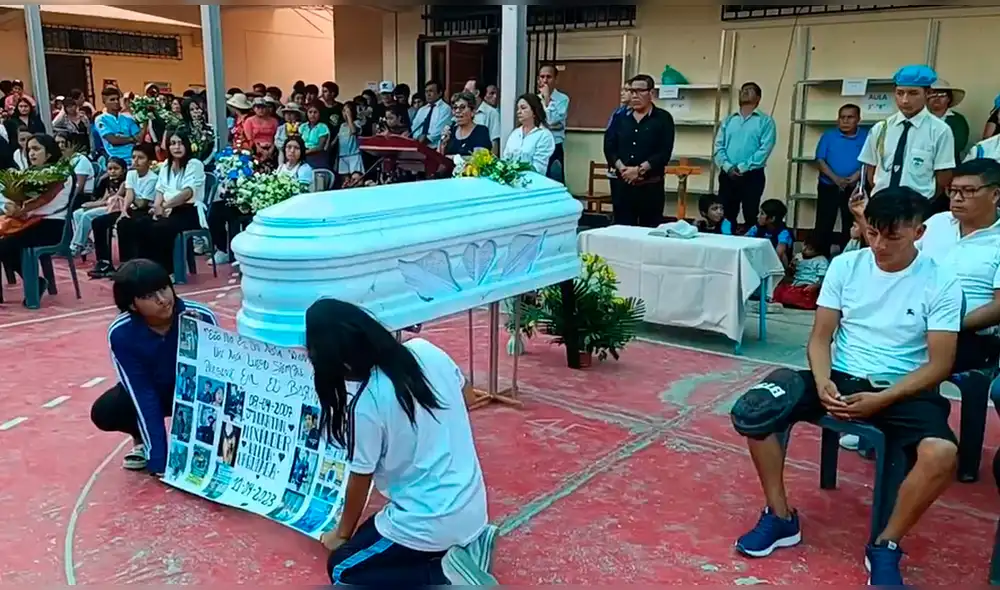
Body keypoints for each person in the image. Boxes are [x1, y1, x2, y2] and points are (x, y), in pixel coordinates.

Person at [730, 188, 961, 586]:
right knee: (758, 411)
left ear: (919, 232)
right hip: (839, 376)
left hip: (900, 386)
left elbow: (940, 364)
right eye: (872, 233)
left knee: (941, 455)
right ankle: (781, 516)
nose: (879, 245)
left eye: (893, 236)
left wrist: (882, 399)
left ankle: (885, 544)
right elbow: (820, 338)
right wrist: (822, 382)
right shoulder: (846, 266)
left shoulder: (940, 282)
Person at [305, 298, 497, 585]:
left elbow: (361, 478)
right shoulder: (425, 350)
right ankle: (469, 548)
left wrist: (341, 535)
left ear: (341, 364)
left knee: (343, 568)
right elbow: (466, 396)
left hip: (430, 520)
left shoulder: (366, 404)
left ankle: (443, 573)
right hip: (473, 507)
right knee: (380, 532)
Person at [90, 259, 218, 472]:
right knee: (107, 410)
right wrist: (158, 459)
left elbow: (214, 376)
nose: (162, 300)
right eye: (149, 296)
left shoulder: (200, 317)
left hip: (194, 390)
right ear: (132, 304)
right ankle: (142, 441)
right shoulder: (122, 333)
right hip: (154, 391)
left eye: (164, 289)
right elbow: (141, 392)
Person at [858, 65, 955, 216]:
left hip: (918, 207)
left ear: (928, 93)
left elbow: (943, 175)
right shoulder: (881, 128)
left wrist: (924, 202)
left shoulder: (940, 130)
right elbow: (871, 169)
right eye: (900, 93)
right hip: (882, 204)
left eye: (913, 93)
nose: (905, 100)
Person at [0, 134, 73, 299]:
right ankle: (36, 281)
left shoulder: (60, 174)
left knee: (4, 246)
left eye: (36, 149)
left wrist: (21, 210)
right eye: (29, 150)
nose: (31, 153)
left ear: (48, 153)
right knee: (4, 245)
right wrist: (12, 205)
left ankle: (35, 284)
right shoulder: (30, 174)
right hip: (31, 223)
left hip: (51, 226)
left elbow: (41, 202)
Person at [603, 74, 675, 228]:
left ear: (651, 94)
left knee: (649, 232)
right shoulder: (620, 118)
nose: (634, 95)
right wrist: (623, 169)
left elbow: (664, 152)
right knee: (622, 231)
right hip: (622, 186)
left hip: (650, 187)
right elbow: (609, 147)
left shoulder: (663, 119)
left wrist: (640, 170)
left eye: (640, 91)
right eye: (632, 91)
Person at [140, 132, 206, 275]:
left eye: (181, 143)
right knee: (142, 224)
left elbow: (187, 193)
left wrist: (165, 206)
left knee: (161, 228)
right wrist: (157, 207)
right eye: (173, 143)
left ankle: (168, 272)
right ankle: (147, 269)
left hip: (189, 210)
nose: (177, 147)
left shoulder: (194, 164)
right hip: (167, 208)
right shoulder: (165, 166)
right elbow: (160, 189)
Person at [89, 144, 159, 278]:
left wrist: (128, 205)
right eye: (133, 157)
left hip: (145, 211)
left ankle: (126, 264)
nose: (136, 161)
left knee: (124, 224)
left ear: (149, 162)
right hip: (131, 208)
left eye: (141, 158)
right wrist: (123, 210)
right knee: (99, 222)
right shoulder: (131, 174)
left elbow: (142, 203)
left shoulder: (152, 178)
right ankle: (104, 262)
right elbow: (129, 194)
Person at [713, 81, 777, 227]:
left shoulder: (765, 121)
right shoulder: (729, 120)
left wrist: (742, 168)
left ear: (758, 98)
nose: (745, 91)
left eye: (750, 90)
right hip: (727, 174)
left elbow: (765, 149)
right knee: (726, 215)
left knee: (751, 213)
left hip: (752, 175)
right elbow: (718, 146)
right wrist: (728, 167)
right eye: (743, 90)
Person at [814, 103, 868, 256]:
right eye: (842, 117)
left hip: (855, 188)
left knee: (851, 224)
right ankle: (819, 259)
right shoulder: (828, 135)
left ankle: (848, 257)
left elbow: (869, 160)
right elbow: (820, 160)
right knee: (824, 223)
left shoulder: (866, 136)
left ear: (858, 119)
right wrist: (836, 179)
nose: (845, 121)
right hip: (829, 185)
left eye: (850, 117)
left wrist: (856, 176)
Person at [70, 156, 125, 256]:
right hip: (107, 205)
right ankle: (87, 243)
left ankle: (76, 245)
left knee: (87, 215)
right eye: (110, 169)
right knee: (77, 213)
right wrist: (92, 205)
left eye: (116, 169)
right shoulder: (108, 182)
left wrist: (92, 205)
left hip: (116, 208)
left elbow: (113, 200)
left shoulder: (124, 183)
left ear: (123, 170)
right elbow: (104, 199)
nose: (112, 171)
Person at [502, 93, 556, 176]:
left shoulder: (544, 135)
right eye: (518, 109)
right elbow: (505, 159)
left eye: (523, 108)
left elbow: (539, 168)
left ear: (534, 111)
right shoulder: (515, 133)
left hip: (533, 182)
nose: (519, 112)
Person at [771, 236, 828, 310]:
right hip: (795, 283)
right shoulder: (799, 256)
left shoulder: (821, 260)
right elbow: (791, 272)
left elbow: (822, 277)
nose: (805, 250)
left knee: (802, 296)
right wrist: (792, 266)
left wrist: (815, 285)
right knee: (779, 289)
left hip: (808, 286)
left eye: (809, 249)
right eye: (804, 246)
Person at [95, 86, 143, 166]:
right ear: (104, 101)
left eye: (117, 99)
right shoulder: (101, 119)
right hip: (115, 160)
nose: (116, 102)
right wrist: (132, 139)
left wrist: (145, 121)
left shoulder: (128, 119)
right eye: (112, 100)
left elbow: (139, 139)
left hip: (133, 159)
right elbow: (113, 140)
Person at [537, 64, 569, 181]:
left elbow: (551, 120)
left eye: (549, 77)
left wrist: (546, 99)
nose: (545, 80)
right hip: (539, 145)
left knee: (556, 179)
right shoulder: (535, 99)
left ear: (556, 79)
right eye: (542, 77)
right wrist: (550, 125)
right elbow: (538, 123)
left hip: (555, 145)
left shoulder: (562, 99)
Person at [439, 92, 492, 158]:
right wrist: (443, 145)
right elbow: (441, 160)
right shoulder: (450, 131)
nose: (457, 111)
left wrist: (454, 158)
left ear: (473, 112)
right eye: (455, 108)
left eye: (462, 107)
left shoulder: (481, 131)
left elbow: (480, 159)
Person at [927, 79, 969, 164]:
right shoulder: (921, 119)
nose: (937, 98)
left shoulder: (958, 120)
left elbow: (958, 145)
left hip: (950, 166)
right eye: (932, 95)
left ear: (949, 99)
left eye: (942, 95)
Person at [745, 199, 794, 270]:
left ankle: (783, 275)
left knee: (783, 254)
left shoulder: (783, 232)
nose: (758, 216)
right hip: (760, 258)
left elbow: (779, 252)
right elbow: (745, 239)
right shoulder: (757, 227)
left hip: (776, 262)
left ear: (772, 218)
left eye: (762, 214)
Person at [55, 131, 95, 209]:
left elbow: (79, 188)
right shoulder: (61, 161)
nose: (60, 146)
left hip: (82, 196)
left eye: (63, 142)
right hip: (65, 194)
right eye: (57, 143)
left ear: (72, 144)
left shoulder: (80, 160)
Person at [410, 80, 452, 149]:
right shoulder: (422, 110)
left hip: (435, 148)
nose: (428, 94)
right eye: (426, 91)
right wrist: (418, 137)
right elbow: (414, 126)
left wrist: (426, 139)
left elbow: (439, 130)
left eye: (431, 91)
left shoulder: (445, 109)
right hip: (419, 146)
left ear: (440, 93)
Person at [464, 78, 501, 154]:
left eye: (467, 91)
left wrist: (490, 164)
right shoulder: (464, 111)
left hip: (481, 160)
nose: (463, 93)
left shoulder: (491, 113)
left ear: (476, 93)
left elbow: (494, 143)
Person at [241, 97, 278, 166]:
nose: (261, 110)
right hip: (255, 149)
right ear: (254, 108)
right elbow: (250, 139)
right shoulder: (249, 121)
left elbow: (276, 137)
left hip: (271, 149)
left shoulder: (274, 121)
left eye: (263, 107)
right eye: (258, 107)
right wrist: (261, 150)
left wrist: (271, 150)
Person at [300, 101, 332, 170]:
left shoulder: (322, 127)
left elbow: (320, 147)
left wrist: (305, 152)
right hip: (303, 154)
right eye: (310, 112)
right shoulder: (303, 126)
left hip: (317, 155)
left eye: (315, 112)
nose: (312, 115)